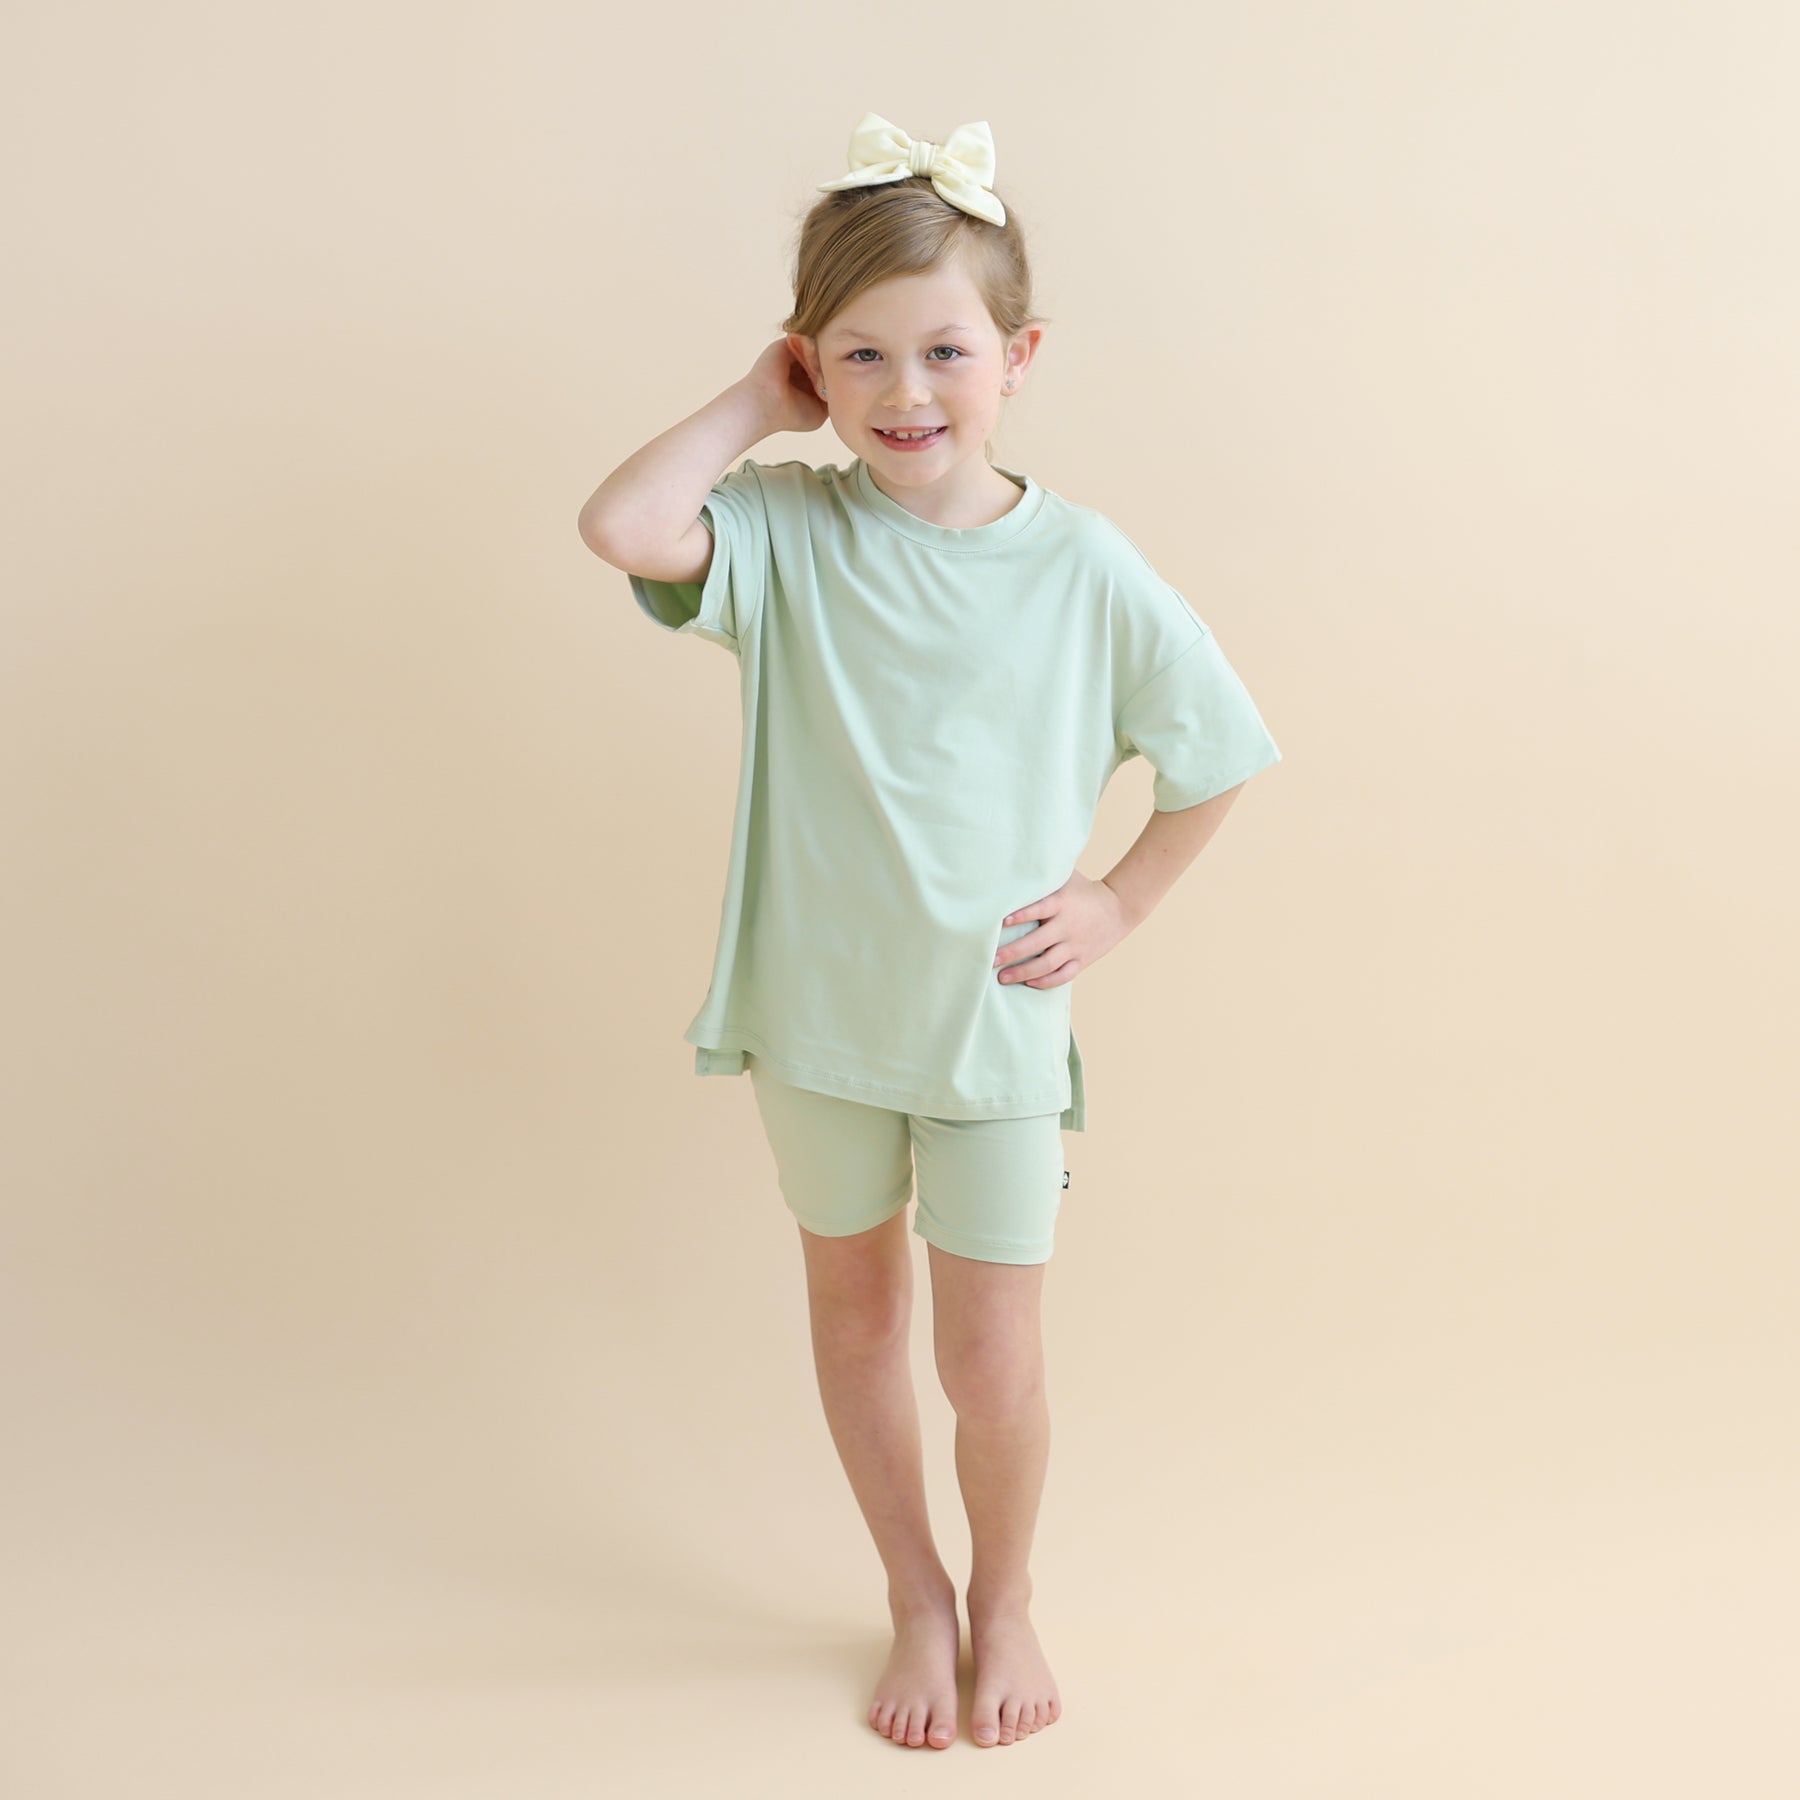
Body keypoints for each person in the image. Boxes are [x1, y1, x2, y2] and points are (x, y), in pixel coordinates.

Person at [577, 112, 1283, 1752]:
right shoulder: (786, 532)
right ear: (815, 366)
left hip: (988, 1033)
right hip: (819, 1019)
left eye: (945, 352)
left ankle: (1008, 1586)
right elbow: (625, 528)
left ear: (1018, 357)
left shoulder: (1085, 568)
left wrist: (1119, 899)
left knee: (991, 1360)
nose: (905, 393)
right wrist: (762, 404)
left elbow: (1221, 756)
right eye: (861, 356)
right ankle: (913, 1588)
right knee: (857, 1322)